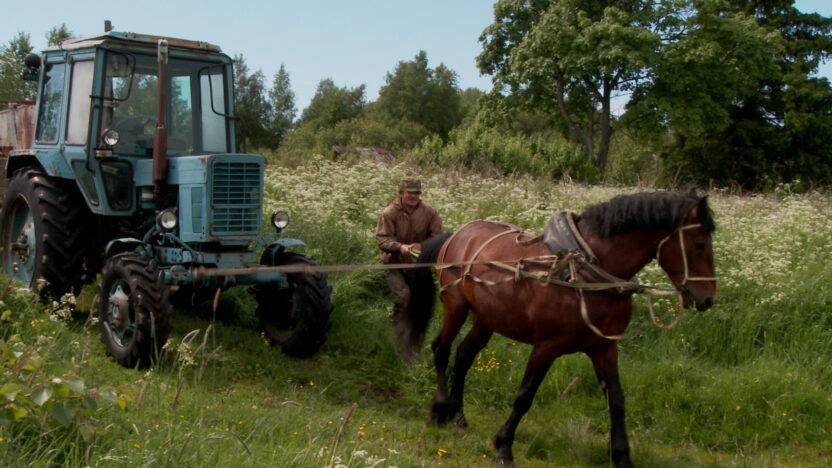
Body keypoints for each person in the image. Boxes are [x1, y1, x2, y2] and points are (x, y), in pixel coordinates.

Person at [376, 177, 442, 360]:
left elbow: (438, 236)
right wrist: (400, 247)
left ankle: (413, 337)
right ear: (401, 193)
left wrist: (422, 246)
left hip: (418, 264)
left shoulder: (429, 212)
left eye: (416, 193)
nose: (413, 196)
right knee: (404, 296)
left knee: (420, 302)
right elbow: (382, 239)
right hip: (395, 263)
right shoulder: (389, 212)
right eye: (409, 192)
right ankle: (398, 331)